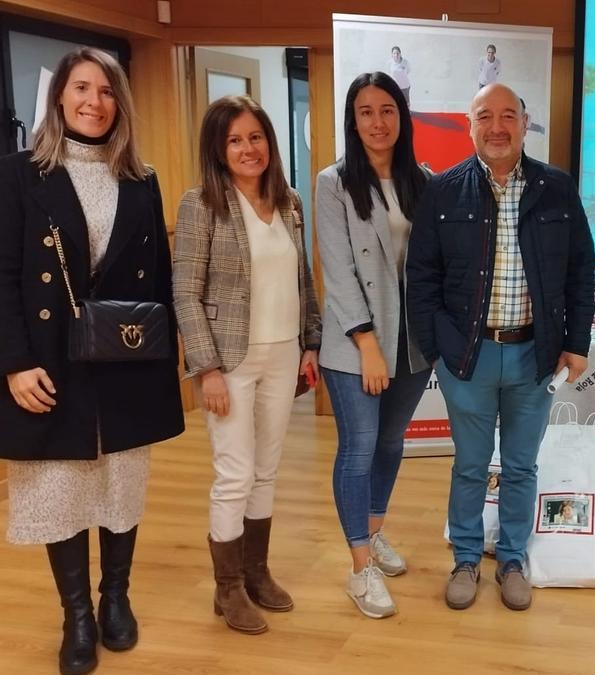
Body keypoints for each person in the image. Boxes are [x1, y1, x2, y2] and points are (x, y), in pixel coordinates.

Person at [0, 47, 184, 674]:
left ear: (120, 103)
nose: (94, 102)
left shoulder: (141, 176)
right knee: (60, 489)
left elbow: (156, 278)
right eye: (82, 88)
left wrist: (168, 364)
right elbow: (2, 275)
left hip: (126, 359)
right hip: (50, 362)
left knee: (119, 485)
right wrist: (14, 362)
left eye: (107, 92)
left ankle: (115, 598)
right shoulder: (19, 173)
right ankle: (75, 614)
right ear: (59, 98)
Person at [407, 83, 595, 612]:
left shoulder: (557, 188)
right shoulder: (443, 191)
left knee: (520, 466)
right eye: (484, 116)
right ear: (470, 126)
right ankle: (466, 557)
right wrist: (437, 348)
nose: (497, 126)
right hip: (468, 355)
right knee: (469, 465)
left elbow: (582, 271)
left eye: (508, 115)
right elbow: (420, 277)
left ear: (524, 122)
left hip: (535, 355)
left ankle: (512, 558)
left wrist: (575, 342)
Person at [173, 94, 321, 634]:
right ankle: (227, 588)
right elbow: (185, 293)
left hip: (284, 353)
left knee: (266, 470)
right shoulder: (201, 204)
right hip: (230, 361)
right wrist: (206, 368)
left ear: (269, 142)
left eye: (255, 137)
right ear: (218, 147)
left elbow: (302, 280)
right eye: (234, 139)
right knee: (234, 474)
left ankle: (256, 573)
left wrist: (311, 341)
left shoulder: (289, 202)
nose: (247, 148)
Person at [315, 72, 432, 619]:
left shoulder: (423, 180)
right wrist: (366, 343)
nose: (377, 121)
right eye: (365, 111)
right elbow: (337, 273)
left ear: (401, 117)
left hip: (411, 342)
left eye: (387, 109)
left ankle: (374, 530)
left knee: (390, 445)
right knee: (359, 449)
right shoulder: (333, 182)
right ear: (352, 119)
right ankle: (359, 569)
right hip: (356, 343)